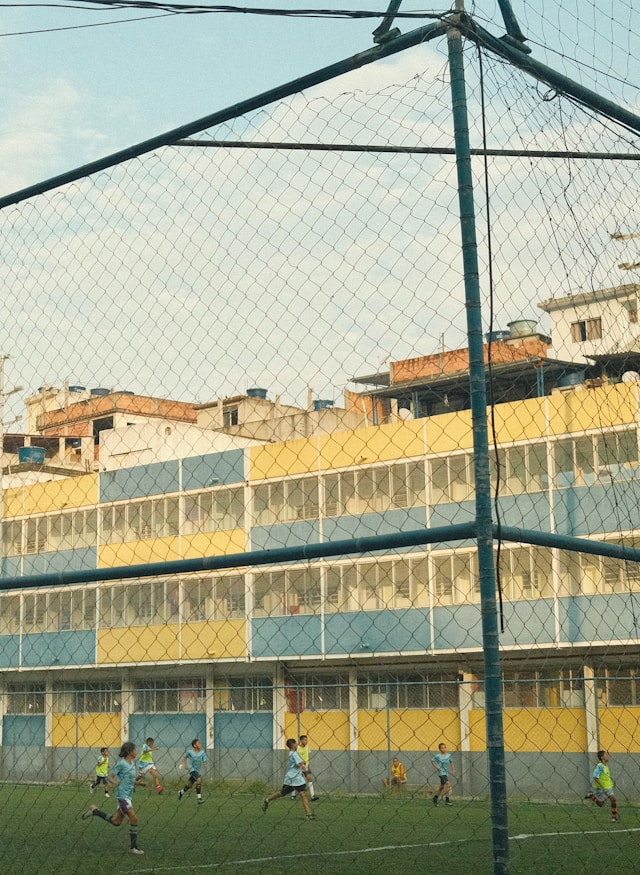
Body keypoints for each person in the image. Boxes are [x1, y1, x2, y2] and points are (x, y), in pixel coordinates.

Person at [81, 741, 144, 855]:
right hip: (122, 796)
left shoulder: (132, 764)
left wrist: (138, 783)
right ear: (130, 752)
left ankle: (95, 811)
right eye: (134, 750)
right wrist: (115, 783)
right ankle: (133, 847)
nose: (136, 752)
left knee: (116, 822)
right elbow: (110, 776)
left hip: (128, 796)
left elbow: (129, 780)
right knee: (134, 819)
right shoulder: (122, 764)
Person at [262, 738, 315, 820]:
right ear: (293, 745)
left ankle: (308, 814)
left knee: (299, 794)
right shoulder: (294, 754)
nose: (297, 745)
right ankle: (267, 799)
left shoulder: (292, 753)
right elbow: (299, 765)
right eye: (296, 744)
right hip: (294, 778)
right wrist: (304, 767)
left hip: (294, 778)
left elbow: (299, 764)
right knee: (289, 793)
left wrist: (302, 764)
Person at [585, 750, 619, 822]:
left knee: (612, 800)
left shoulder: (606, 766)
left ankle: (614, 817)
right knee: (602, 804)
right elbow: (595, 777)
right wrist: (602, 787)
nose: (608, 756)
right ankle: (592, 796)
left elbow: (605, 777)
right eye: (606, 755)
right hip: (601, 789)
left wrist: (612, 783)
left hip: (608, 788)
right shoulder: (600, 766)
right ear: (602, 757)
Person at [178, 738, 207, 805]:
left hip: (197, 770)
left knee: (189, 785)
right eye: (199, 743)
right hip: (192, 769)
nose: (200, 745)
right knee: (199, 779)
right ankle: (199, 798)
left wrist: (204, 763)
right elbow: (185, 757)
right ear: (194, 745)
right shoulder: (190, 752)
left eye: (200, 743)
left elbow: (204, 759)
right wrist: (185, 765)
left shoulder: (202, 752)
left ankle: (181, 792)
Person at [291, 734, 319, 801]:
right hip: (299, 766)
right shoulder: (297, 748)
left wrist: (308, 764)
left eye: (307, 740)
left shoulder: (307, 747)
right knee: (296, 780)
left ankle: (312, 796)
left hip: (306, 766)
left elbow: (307, 756)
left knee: (309, 778)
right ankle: (293, 794)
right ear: (301, 740)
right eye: (305, 740)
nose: (306, 741)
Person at [431, 742, 456, 806]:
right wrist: (437, 768)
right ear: (439, 749)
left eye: (444, 747)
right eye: (442, 748)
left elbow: (451, 762)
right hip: (442, 773)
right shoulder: (438, 756)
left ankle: (435, 798)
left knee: (441, 787)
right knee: (448, 785)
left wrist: (453, 769)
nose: (444, 749)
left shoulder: (448, 755)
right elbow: (432, 761)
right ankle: (447, 800)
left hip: (446, 772)